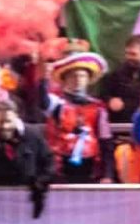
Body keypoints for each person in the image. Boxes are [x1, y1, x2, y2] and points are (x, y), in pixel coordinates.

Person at [45, 52, 113, 183]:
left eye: (82, 76)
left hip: (91, 168)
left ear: (88, 79)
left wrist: (108, 174)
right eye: (73, 76)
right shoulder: (57, 103)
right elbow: (43, 102)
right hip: (61, 169)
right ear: (65, 79)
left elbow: (106, 142)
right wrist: (43, 80)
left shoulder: (98, 107)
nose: (78, 80)